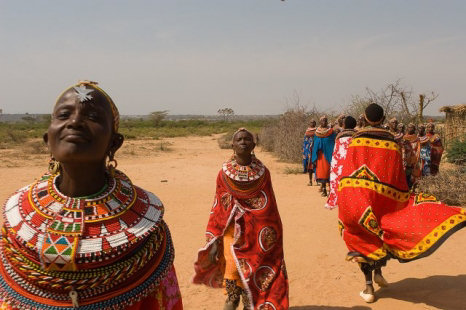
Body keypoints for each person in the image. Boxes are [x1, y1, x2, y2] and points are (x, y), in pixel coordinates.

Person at [0, 81, 183, 310]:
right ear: (48, 139)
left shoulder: (146, 231)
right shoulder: (16, 225)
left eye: (93, 117)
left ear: (114, 143)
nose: (75, 122)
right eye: (64, 114)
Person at [337, 103, 465, 303]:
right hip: (385, 199)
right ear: (383, 118)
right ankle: (378, 272)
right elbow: (397, 175)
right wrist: (400, 197)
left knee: (361, 237)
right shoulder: (391, 141)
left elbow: (347, 171)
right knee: (380, 231)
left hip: (359, 197)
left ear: (365, 117)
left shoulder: (356, 140)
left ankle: (369, 287)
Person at [193, 128, 289, 310]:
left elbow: (269, 207)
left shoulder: (263, 173)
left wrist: (271, 235)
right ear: (232, 145)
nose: (243, 142)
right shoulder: (223, 174)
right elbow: (219, 207)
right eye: (239, 139)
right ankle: (232, 301)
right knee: (232, 283)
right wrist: (214, 239)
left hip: (257, 236)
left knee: (250, 287)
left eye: (247, 139)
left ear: (254, 145)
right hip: (231, 235)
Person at [325, 116, 356, 210]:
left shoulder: (339, 138)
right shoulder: (358, 137)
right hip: (354, 165)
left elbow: (336, 157)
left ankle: (337, 199)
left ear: (344, 125)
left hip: (341, 167)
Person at [311, 116, 336, 197]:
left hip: (329, 155)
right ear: (320, 122)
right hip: (320, 156)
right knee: (322, 173)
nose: (324, 122)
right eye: (322, 121)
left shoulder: (331, 132)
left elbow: (333, 141)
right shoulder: (317, 132)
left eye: (325, 121)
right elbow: (315, 143)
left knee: (329, 171)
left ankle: (330, 190)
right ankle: (324, 189)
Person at [302, 120, 317, 186]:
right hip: (308, 151)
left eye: (313, 122)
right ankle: (310, 181)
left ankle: (317, 181)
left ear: (315, 123)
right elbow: (305, 142)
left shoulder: (318, 131)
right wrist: (304, 150)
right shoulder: (307, 131)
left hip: (315, 150)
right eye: (311, 122)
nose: (312, 123)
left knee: (316, 165)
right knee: (309, 166)